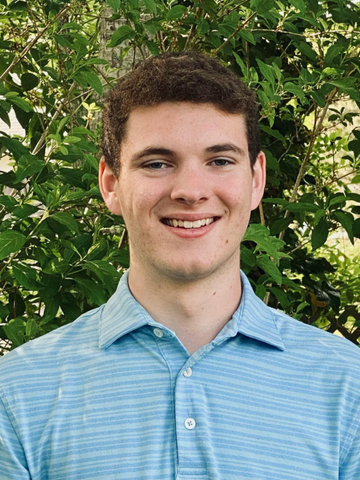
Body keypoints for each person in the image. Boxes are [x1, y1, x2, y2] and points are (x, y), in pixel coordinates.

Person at [0, 52, 360, 480]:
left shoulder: (347, 387)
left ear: (256, 180)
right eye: (157, 163)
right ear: (111, 185)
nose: (191, 191)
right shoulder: (17, 394)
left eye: (220, 161)